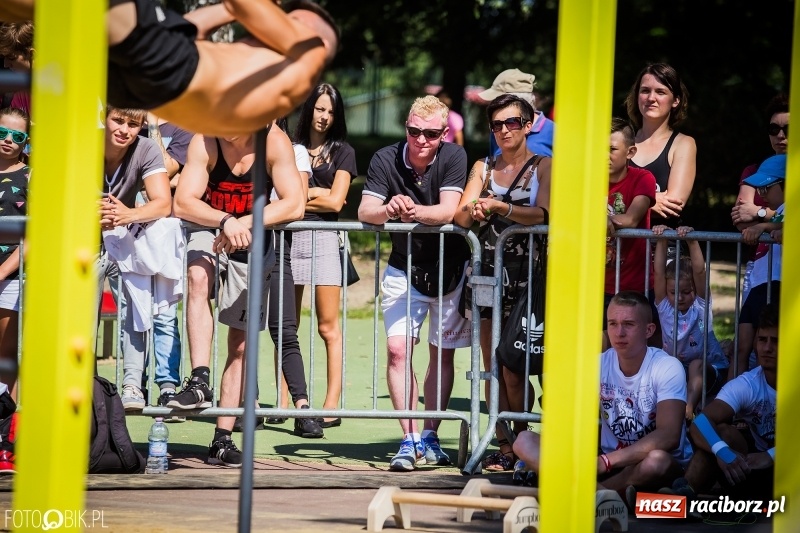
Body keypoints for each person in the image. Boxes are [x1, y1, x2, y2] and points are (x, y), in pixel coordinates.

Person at [171, 123, 305, 467]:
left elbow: (295, 205)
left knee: (241, 345)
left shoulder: (273, 142)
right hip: (210, 227)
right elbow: (183, 202)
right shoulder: (207, 139)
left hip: (253, 238)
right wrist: (225, 220)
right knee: (197, 277)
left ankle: (222, 438)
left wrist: (243, 222)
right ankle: (200, 378)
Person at [1, 0, 339, 136]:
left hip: (174, 65)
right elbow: (189, 26)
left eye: (289, 20)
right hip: (149, 89)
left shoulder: (309, 50)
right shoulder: (266, 85)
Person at [358, 95, 471, 471]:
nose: (421, 139)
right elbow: (364, 211)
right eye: (414, 131)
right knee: (397, 350)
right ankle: (408, 440)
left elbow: (448, 210)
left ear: (443, 133)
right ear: (405, 128)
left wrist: (411, 212)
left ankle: (431, 435)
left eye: (431, 133)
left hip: (451, 269)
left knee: (442, 353)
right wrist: (388, 208)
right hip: (403, 266)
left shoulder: (455, 157)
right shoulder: (384, 158)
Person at [453, 94, 552, 472]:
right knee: (493, 365)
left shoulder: (544, 165)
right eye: (497, 125)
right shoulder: (484, 164)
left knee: (517, 365)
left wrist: (501, 207)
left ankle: (526, 442)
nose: (504, 130)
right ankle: (504, 445)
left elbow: (544, 213)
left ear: (528, 125)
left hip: (530, 279)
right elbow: (462, 218)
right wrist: (475, 207)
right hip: (488, 274)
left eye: (511, 123)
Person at [513, 291, 692, 496]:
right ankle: (600, 495)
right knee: (524, 441)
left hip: (655, 463)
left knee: (655, 461)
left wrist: (605, 462)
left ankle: (590, 494)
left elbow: (669, 436)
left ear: (649, 330)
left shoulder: (667, 366)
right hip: (608, 463)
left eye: (629, 324)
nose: (619, 332)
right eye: (612, 324)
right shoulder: (597, 364)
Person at [663, 303, 779, 503]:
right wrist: (722, 451)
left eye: (776, 341)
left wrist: (771, 456)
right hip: (755, 474)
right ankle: (682, 496)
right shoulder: (748, 384)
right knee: (721, 433)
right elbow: (700, 422)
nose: (767, 348)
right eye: (762, 339)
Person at [96, 106, 172, 411]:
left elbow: (163, 202)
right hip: (80, 240)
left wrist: (129, 214)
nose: (125, 130)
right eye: (119, 120)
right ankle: (84, 383)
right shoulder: (84, 142)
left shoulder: (147, 148)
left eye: (133, 124)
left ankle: (132, 384)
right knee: (81, 318)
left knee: (135, 309)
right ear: (105, 116)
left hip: (122, 239)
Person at [291, 83, 357, 428]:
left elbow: (336, 202)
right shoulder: (290, 148)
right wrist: (316, 193)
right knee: (286, 327)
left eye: (331, 111)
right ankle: (286, 402)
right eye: (319, 109)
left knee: (328, 326)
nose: (325, 117)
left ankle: (332, 404)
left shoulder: (344, 151)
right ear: (308, 110)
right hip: (289, 238)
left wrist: (303, 196)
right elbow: (283, 197)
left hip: (325, 238)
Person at [260, 115, 323, 438]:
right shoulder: (236, 146)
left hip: (278, 244)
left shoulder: (292, 149)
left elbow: (296, 201)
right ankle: (248, 402)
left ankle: (302, 406)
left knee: (284, 328)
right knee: (240, 331)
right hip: (243, 243)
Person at [652, 225, 729, 420]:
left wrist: (692, 241)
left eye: (686, 292)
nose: (679, 298)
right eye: (674, 292)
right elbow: (659, 273)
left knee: (695, 364)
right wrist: (662, 239)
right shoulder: (665, 307)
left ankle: (688, 407)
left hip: (709, 370)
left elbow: (700, 272)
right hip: (677, 369)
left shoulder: (699, 307)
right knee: (665, 363)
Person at [604, 118, 657, 350]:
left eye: (612, 149)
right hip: (595, 286)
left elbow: (632, 218)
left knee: (634, 352)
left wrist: (602, 221)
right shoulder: (587, 181)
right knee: (599, 355)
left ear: (630, 151)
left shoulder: (642, 178)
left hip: (636, 285)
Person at [730, 93, 788, 302]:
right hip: (760, 265)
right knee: (752, 329)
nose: (781, 135)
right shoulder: (754, 170)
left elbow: (752, 214)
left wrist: (760, 212)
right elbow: (741, 221)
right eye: (774, 129)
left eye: (788, 129)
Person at [731, 154, 784, 381]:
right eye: (758, 189)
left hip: (777, 287)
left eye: (767, 188)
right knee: (741, 348)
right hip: (759, 285)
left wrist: (762, 223)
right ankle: (730, 404)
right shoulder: (780, 210)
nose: (761, 195)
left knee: (772, 351)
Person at [625, 63, 696, 229]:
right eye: (645, 91)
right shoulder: (619, 143)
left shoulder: (683, 144)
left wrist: (626, 201)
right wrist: (652, 201)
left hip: (662, 248)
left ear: (676, 100)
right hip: (620, 249)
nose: (651, 98)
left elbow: (672, 206)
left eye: (660, 92)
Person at [0, 107, 29, 398]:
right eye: (1, 132)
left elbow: (35, 235)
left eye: (16, 135)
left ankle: (5, 429)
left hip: (11, 278)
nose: (7, 139)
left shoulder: (32, 176)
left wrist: (1, 272)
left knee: (5, 356)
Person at [479, 68, 554, 158]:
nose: (504, 130)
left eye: (500, 102)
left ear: (520, 103)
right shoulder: (497, 128)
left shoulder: (555, 132)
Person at [0, 21, 32, 117]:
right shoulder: (13, 92)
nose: (5, 64)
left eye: (11, 58)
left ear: (32, 54)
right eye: (3, 58)